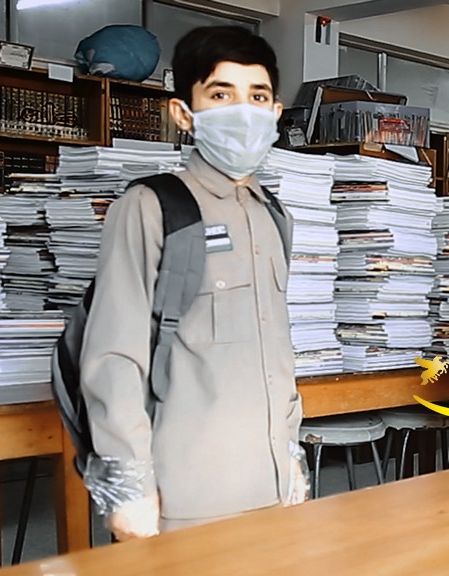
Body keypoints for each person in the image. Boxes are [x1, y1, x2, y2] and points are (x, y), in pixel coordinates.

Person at [79, 26, 305, 540]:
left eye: (258, 97)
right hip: (185, 494)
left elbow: (277, 350)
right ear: (184, 113)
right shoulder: (151, 207)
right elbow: (114, 356)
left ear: (275, 112)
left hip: (272, 487)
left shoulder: (274, 216)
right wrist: (129, 489)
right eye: (221, 95)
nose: (243, 111)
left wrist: (291, 455)